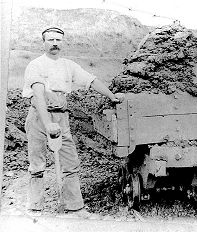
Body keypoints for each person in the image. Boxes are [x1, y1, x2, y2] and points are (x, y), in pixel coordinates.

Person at [22, 27, 125, 216]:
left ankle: (75, 207)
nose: (54, 43)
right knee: (37, 164)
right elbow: (38, 96)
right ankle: (35, 208)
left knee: (70, 162)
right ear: (43, 42)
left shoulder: (68, 65)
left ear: (62, 42)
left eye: (58, 40)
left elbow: (91, 80)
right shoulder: (35, 65)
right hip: (38, 116)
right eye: (50, 39)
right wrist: (48, 124)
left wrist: (111, 96)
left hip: (62, 116)